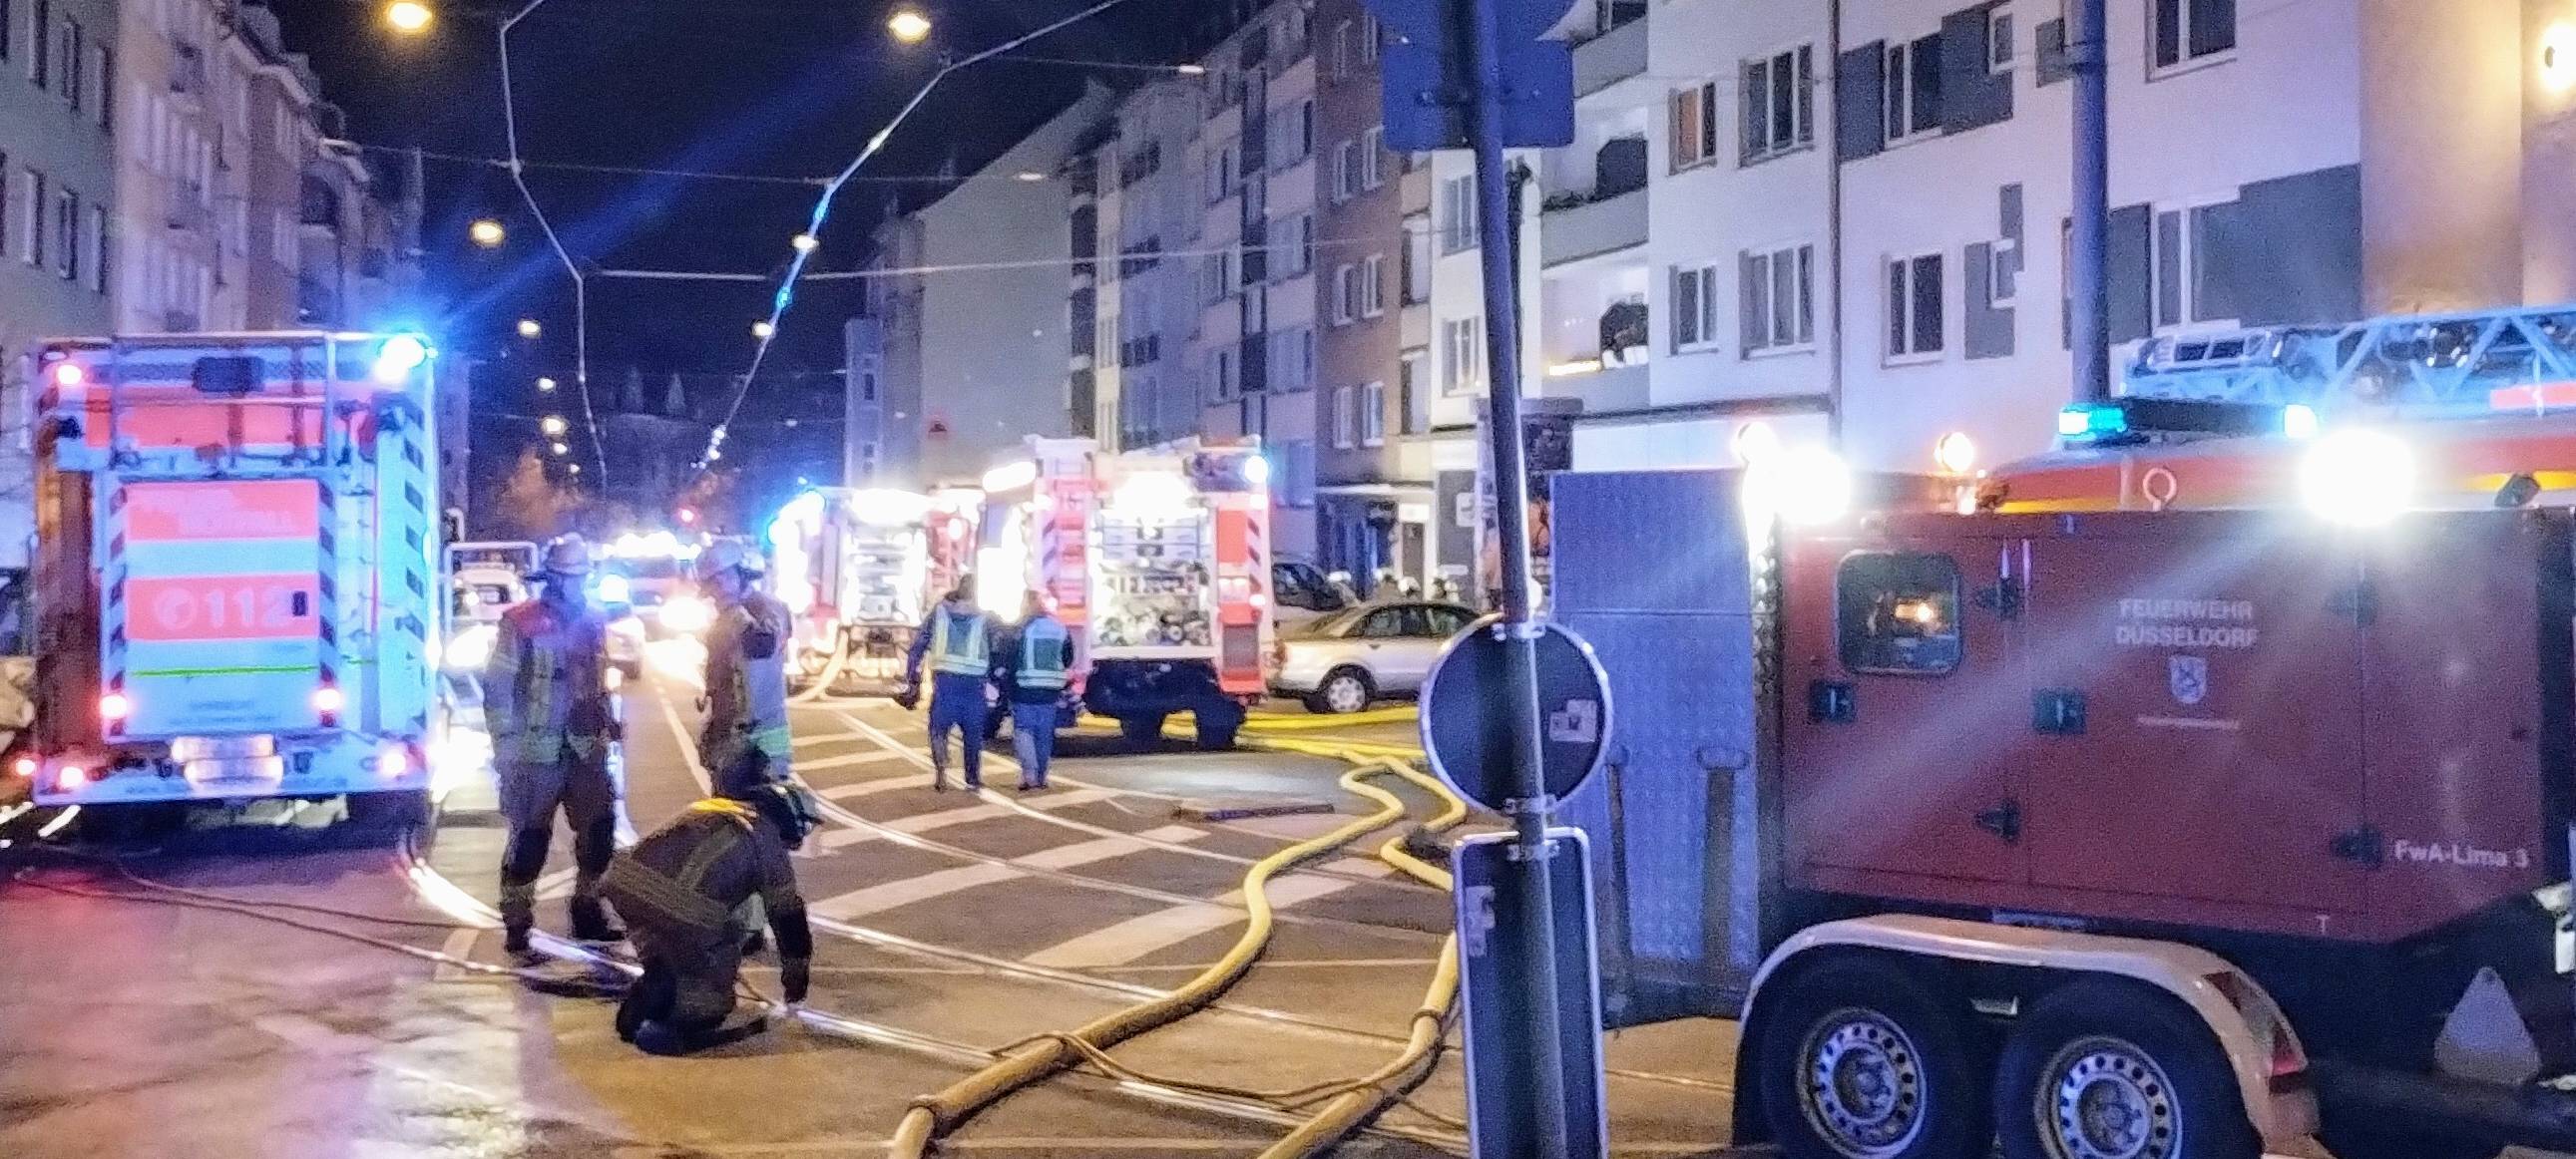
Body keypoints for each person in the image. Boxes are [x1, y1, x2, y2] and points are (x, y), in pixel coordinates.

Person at [600, 780, 820, 1056]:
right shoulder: (767, 839)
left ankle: (662, 972)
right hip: (680, 906)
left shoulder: (715, 808)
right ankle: (664, 994)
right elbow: (789, 920)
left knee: (665, 944)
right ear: (790, 817)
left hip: (624, 882)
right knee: (711, 1003)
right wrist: (796, 983)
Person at [484, 534, 624, 957]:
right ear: (553, 579)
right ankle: (517, 921)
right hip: (534, 754)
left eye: (581, 576)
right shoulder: (520, 622)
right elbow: (499, 687)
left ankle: (588, 909)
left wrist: (608, 723)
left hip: (586, 748)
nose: (576, 584)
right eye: (569, 577)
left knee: (599, 834)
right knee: (529, 841)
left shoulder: (596, 620)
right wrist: (504, 744)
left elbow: (601, 682)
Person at [695, 540, 793, 797]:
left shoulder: (767, 608)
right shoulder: (724, 618)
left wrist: (733, 612)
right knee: (728, 821)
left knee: (769, 821)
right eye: (711, 586)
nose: (716, 592)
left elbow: (763, 644)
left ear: (742, 572)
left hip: (764, 739)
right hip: (729, 739)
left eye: (722, 580)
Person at [900, 579, 998, 790]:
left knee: (939, 728)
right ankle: (972, 778)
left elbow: (918, 646)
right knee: (973, 733)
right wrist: (996, 680)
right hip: (974, 685)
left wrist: (911, 678)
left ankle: (941, 768)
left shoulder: (939, 613)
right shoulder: (984, 618)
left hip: (945, 682)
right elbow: (997, 650)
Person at [994, 591, 1073, 792]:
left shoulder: (1021, 629)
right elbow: (1068, 658)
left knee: (1024, 731)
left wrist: (1004, 683)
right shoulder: (1059, 628)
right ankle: (1042, 776)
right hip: (1050, 691)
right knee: (1044, 734)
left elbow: (1009, 658)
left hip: (1024, 689)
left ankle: (1029, 774)